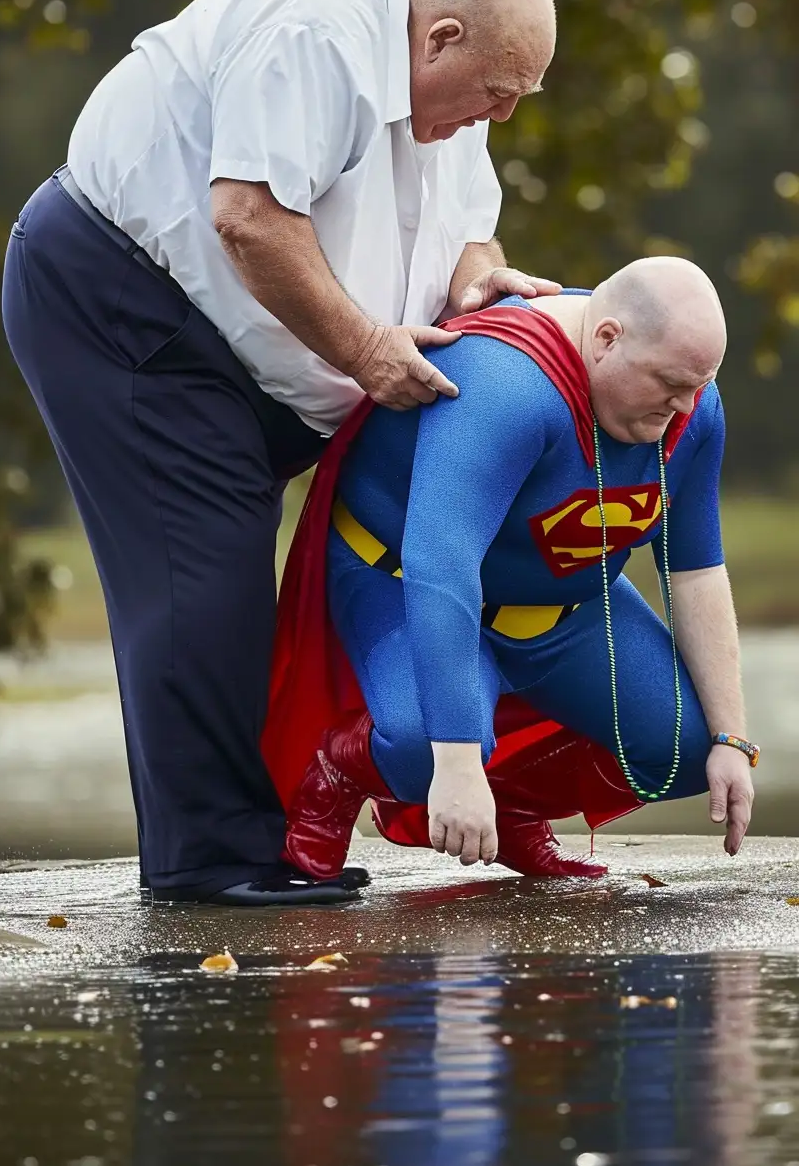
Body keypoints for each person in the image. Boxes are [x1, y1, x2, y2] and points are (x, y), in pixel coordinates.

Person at [1, 0, 559, 907]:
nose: (502, 114)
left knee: (259, 588)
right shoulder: (322, 27)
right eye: (498, 91)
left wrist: (482, 280)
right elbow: (249, 217)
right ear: (442, 37)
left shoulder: (450, 86)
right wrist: (369, 351)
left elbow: (469, 229)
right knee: (202, 579)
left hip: (251, 368)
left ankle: (265, 836)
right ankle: (211, 866)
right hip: (125, 302)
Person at [271, 259, 755, 881]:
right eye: (669, 383)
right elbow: (439, 564)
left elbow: (695, 572)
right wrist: (455, 762)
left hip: (559, 613)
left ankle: (512, 809)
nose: (686, 406)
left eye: (699, 384)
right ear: (606, 339)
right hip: (401, 583)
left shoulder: (690, 401)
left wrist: (733, 739)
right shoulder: (507, 382)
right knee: (430, 745)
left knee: (690, 752)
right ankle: (342, 768)